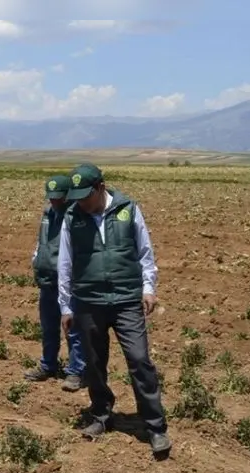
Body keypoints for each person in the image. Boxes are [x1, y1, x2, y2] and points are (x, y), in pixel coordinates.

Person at [57, 162, 171, 456]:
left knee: (139, 359)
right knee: (94, 363)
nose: (81, 201)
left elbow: (145, 251)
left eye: (86, 195)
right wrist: (66, 306)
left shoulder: (128, 209)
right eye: (77, 196)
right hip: (89, 301)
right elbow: (65, 264)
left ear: (101, 188)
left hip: (125, 299)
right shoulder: (72, 217)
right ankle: (101, 415)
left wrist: (148, 288)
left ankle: (155, 426)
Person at [25, 175, 86, 392]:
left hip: (68, 282)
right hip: (47, 278)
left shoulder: (76, 216)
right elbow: (42, 241)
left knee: (72, 327)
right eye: (51, 197)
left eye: (58, 198)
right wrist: (36, 257)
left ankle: (76, 371)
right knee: (49, 326)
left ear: (68, 195)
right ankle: (48, 364)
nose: (54, 202)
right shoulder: (47, 214)